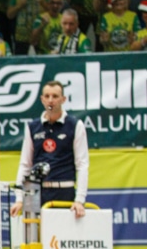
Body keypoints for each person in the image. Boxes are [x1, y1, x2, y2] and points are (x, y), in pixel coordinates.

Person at [10, 80, 89, 219]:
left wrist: (79, 200)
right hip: (36, 193)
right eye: (46, 96)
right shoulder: (32, 127)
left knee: (62, 238)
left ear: (63, 99)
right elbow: (25, 164)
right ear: (42, 99)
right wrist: (19, 199)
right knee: (36, 238)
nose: (50, 100)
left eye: (55, 96)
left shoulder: (75, 125)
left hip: (65, 191)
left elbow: (82, 164)